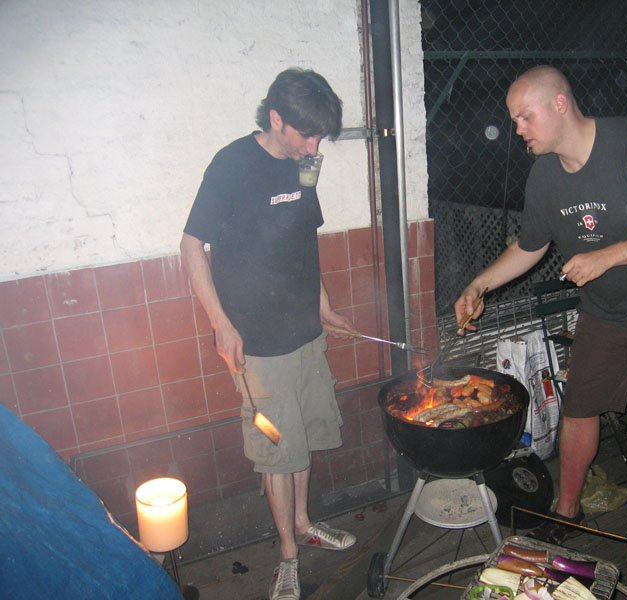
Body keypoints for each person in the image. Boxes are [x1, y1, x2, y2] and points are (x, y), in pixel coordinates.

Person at [455, 65, 627, 545]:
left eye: (523, 117)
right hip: (607, 309)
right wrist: (479, 285)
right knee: (579, 406)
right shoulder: (544, 177)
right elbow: (531, 245)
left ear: (559, 104)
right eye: (514, 120)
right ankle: (567, 511)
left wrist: (606, 256)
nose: (517, 130)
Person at [180, 68, 358, 600]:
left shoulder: (305, 163)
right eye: (306, 133)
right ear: (275, 118)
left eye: (320, 136)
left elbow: (304, 238)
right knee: (278, 450)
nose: (314, 145)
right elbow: (192, 248)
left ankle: (304, 523)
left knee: (303, 437)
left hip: (306, 332)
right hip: (258, 344)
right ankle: (286, 556)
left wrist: (325, 306)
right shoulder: (231, 166)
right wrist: (221, 325)